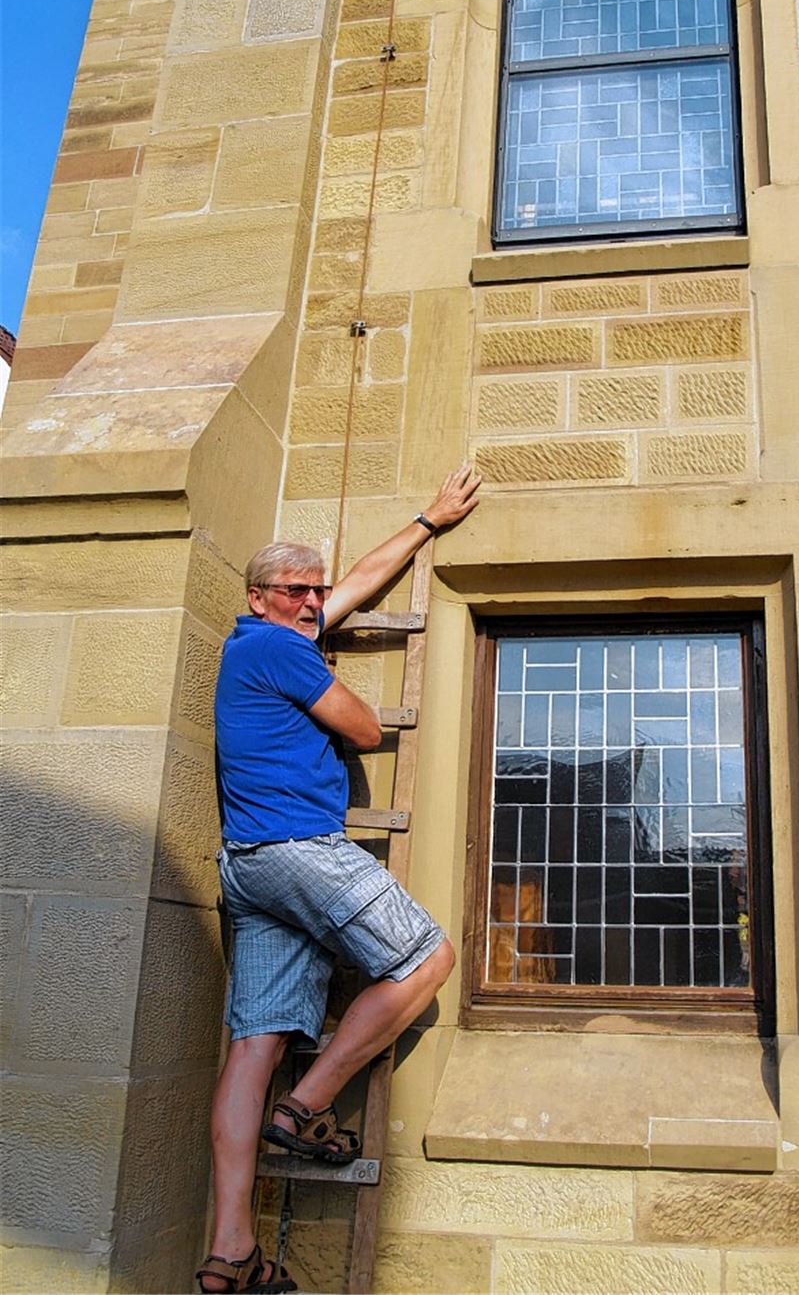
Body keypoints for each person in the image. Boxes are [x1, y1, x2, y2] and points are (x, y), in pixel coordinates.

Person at [196, 466, 481, 1295]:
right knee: (429, 956)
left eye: (314, 587)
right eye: (295, 589)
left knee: (255, 1045)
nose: (312, 599)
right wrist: (331, 683)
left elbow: (356, 581)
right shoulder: (280, 645)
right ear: (259, 595)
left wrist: (426, 521)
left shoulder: (257, 642)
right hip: (297, 849)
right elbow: (360, 725)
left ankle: (231, 1249)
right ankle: (309, 1104)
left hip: (248, 865)